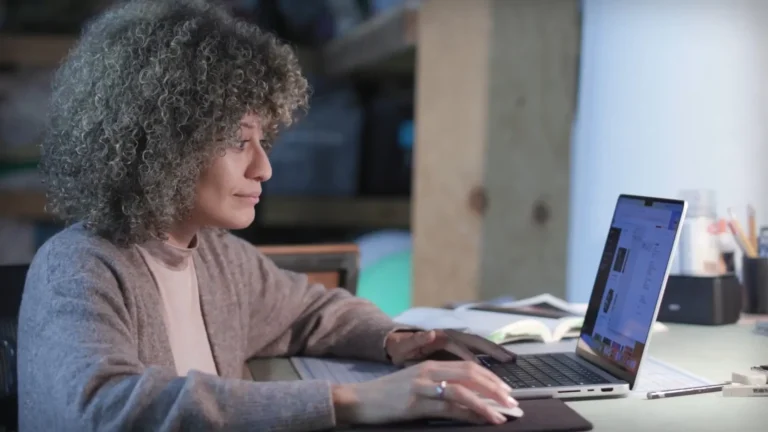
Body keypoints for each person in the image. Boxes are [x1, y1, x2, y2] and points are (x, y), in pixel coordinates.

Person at [16, 0, 518, 431]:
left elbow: (311, 311)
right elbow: (101, 407)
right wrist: (349, 400)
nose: (264, 167)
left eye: (263, 140)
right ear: (164, 141)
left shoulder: (219, 258)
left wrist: (397, 340)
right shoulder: (77, 266)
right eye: (239, 142)